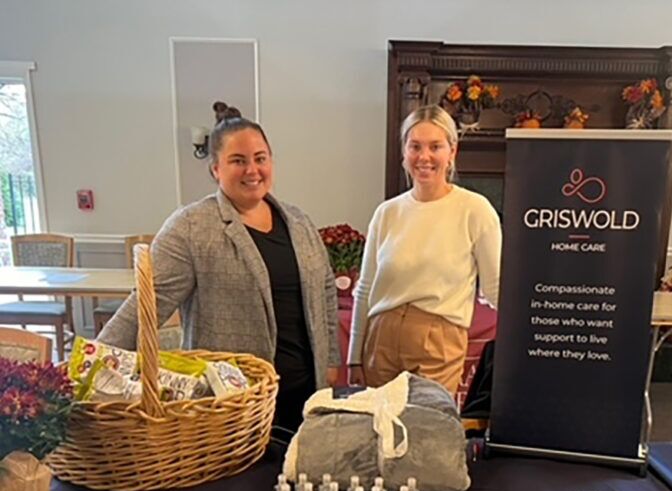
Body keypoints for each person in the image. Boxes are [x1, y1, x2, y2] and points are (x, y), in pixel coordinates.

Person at [99, 104, 340, 431]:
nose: (252, 169)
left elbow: (325, 290)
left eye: (260, 158)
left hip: (306, 395)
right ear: (215, 169)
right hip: (230, 406)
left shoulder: (298, 221)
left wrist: (331, 363)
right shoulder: (192, 227)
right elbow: (146, 305)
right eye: (238, 161)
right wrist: (93, 366)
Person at [347, 104, 501, 395]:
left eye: (435, 146)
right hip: (381, 338)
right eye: (415, 146)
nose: (424, 156)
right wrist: (354, 356)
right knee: (380, 431)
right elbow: (365, 288)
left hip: (438, 340)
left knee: (428, 432)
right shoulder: (387, 213)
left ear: (452, 152)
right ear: (404, 152)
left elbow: (495, 287)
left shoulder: (474, 210)